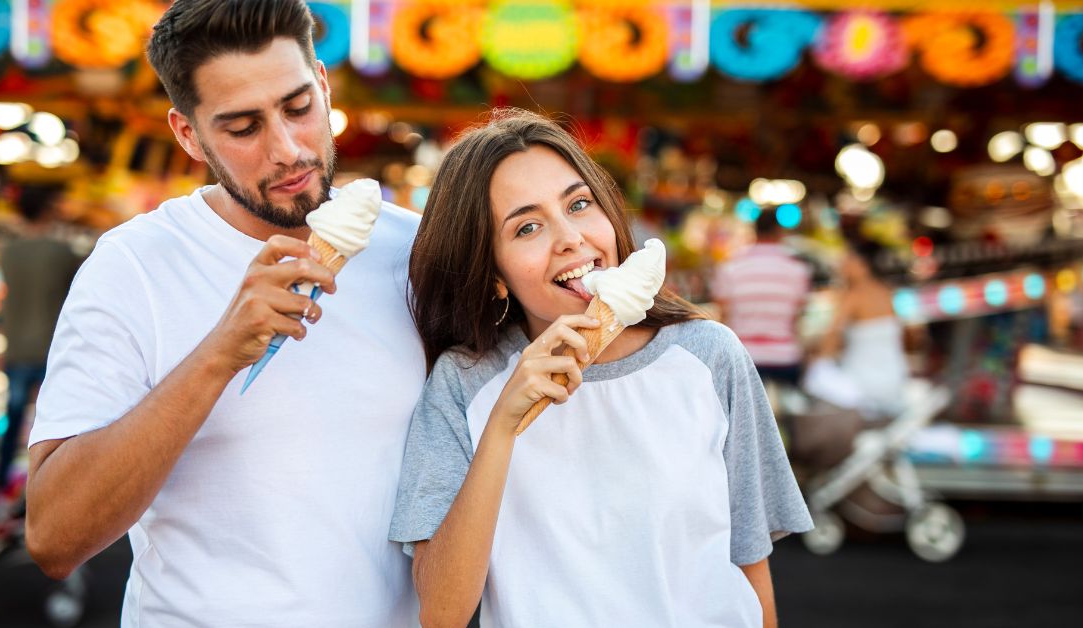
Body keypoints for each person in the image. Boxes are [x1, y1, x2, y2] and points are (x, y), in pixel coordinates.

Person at [23, 1, 425, 625]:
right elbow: (54, 536)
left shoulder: (417, 252)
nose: (288, 150)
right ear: (189, 135)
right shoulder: (134, 266)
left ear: (322, 83)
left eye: (298, 108)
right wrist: (220, 351)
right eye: (243, 128)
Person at [390, 109, 812, 627]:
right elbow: (442, 613)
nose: (570, 237)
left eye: (579, 204)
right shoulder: (466, 382)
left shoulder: (708, 356)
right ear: (494, 274)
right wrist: (503, 424)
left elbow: (748, 568)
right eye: (527, 227)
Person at [0, 184, 81, 495]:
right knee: (55, 426)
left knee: (13, 419)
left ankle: (0, 480)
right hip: (52, 350)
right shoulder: (62, 253)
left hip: (15, 348)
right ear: (47, 211)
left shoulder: (7, 252)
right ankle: (50, 490)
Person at [803, 239, 910, 419]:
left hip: (864, 385)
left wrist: (817, 363)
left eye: (848, 259)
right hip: (896, 382)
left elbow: (832, 336)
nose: (842, 264)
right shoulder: (887, 292)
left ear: (862, 265)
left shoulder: (853, 296)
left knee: (815, 378)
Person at [713, 207, 812, 385]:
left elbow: (723, 317)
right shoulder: (797, 270)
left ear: (754, 231)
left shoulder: (731, 267)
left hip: (742, 357)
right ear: (779, 232)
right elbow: (797, 318)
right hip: (785, 359)